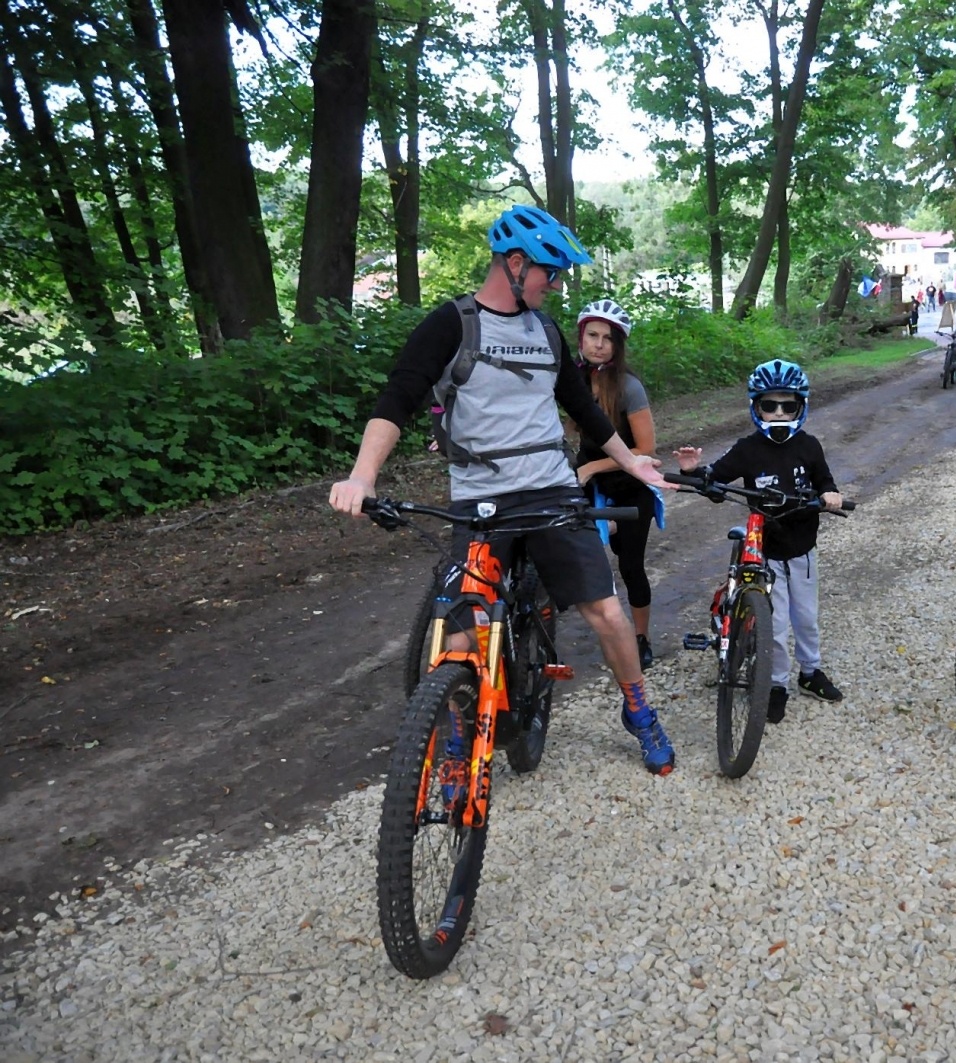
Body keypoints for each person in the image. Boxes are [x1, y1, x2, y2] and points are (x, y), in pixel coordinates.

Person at [328, 205, 679, 776]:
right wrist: (363, 476)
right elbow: (398, 399)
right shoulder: (452, 324)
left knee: (607, 612)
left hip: (551, 491)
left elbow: (582, 407)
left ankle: (639, 709)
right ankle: (454, 736)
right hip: (481, 500)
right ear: (515, 263)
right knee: (461, 633)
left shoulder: (545, 330)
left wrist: (631, 464)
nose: (556, 283)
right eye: (551, 271)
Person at [673, 360, 845, 725]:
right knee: (777, 624)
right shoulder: (747, 449)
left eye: (788, 405)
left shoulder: (809, 446)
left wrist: (830, 494)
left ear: (801, 406)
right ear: (756, 406)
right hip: (766, 553)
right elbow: (715, 480)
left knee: (807, 619)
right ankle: (777, 683)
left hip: (803, 551)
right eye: (770, 405)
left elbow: (825, 481)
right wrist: (693, 472)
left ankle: (810, 673)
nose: (779, 412)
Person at [570, 298, 662, 672]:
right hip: (587, 479)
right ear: (581, 337)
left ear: (618, 346)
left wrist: (592, 465)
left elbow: (646, 449)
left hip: (628, 483)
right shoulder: (572, 379)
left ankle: (641, 639)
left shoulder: (628, 386)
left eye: (607, 339)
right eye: (592, 335)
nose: (598, 344)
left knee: (630, 564)